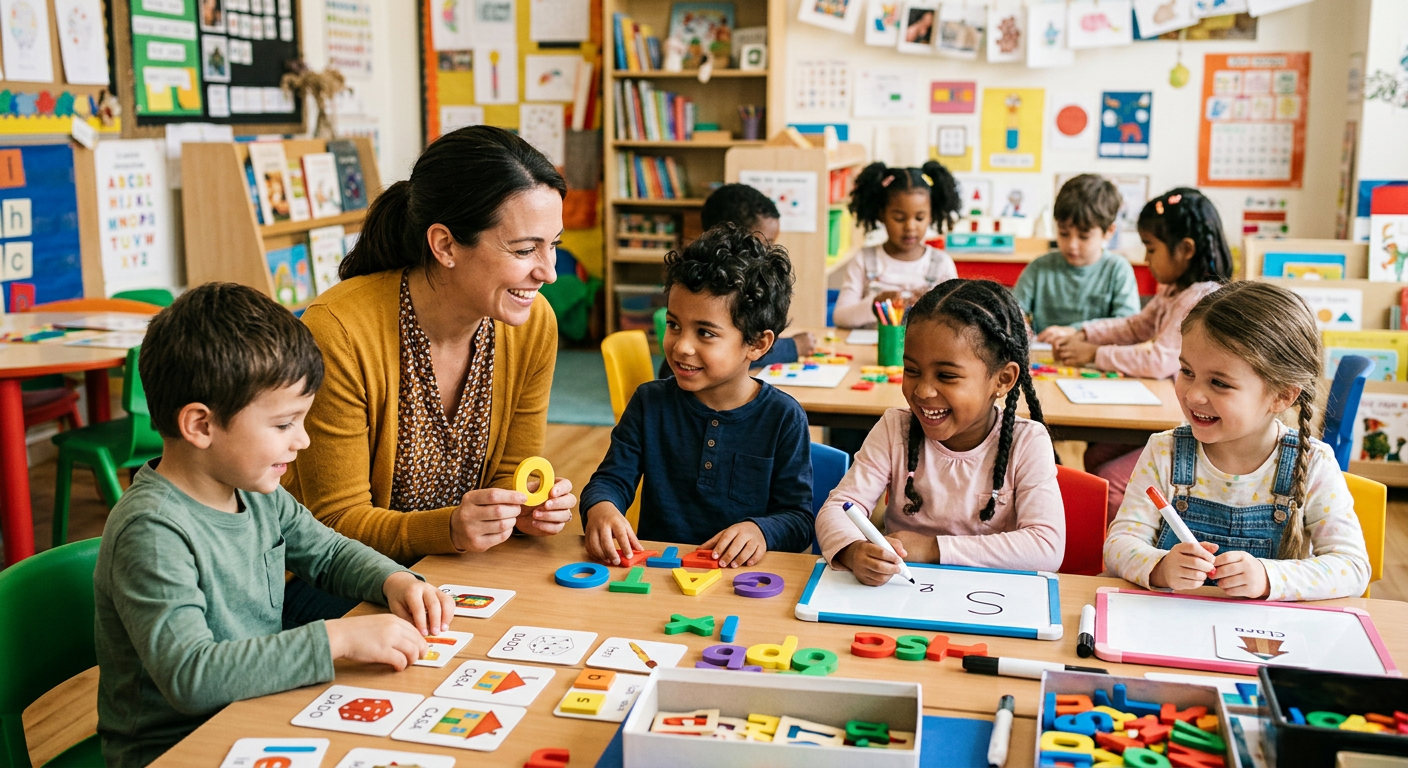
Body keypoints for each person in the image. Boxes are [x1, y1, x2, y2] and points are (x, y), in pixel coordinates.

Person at [94, 284, 455, 768]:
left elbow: (328, 553)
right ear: (200, 425)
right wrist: (339, 639)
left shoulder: (251, 490)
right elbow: (191, 676)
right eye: (284, 424)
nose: (302, 440)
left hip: (256, 711)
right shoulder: (153, 533)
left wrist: (394, 579)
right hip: (177, 749)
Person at [282, 126, 576, 625]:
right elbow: (332, 525)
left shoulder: (531, 325)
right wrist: (449, 530)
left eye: (554, 245)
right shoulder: (340, 331)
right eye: (526, 249)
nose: (548, 271)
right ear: (444, 244)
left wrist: (520, 508)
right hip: (334, 580)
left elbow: (512, 473)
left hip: (453, 570)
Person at [1103, 282, 1371, 601]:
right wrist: (1159, 566)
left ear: (1282, 395)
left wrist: (1268, 577)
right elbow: (1119, 543)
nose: (1193, 394)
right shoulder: (1165, 452)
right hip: (1171, 624)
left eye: (1219, 383)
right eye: (1187, 371)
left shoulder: (1314, 464)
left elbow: (1352, 568)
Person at [581, 224, 815, 568]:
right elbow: (611, 479)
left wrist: (761, 531)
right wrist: (602, 507)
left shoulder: (783, 417)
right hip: (658, 574)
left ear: (757, 344)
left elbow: (799, 518)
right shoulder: (650, 403)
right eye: (674, 325)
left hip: (741, 582)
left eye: (705, 333)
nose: (681, 346)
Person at [815, 279, 1065, 586]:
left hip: (993, 601)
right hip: (903, 596)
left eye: (946, 376)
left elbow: (1046, 547)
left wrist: (933, 548)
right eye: (911, 370)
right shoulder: (896, 429)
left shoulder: (1027, 442)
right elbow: (838, 509)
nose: (922, 390)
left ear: (1003, 379)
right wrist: (854, 551)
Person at [1047, 189, 1233, 518]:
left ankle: (1127, 548)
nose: (1146, 259)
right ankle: (1119, 534)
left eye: (1151, 249)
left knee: (1110, 482)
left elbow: (1160, 359)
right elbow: (1135, 327)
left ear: (1185, 250)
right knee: (1095, 455)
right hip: (1173, 414)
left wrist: (1093, 354)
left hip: (1193, 427)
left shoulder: (1201, 298)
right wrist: (1084, 333)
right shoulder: (1175, 292)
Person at [833, 161, 963, 329]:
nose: (910, 227)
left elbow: (957, 323)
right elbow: (840, 317)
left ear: (931, 215)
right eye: (899, 218)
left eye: (919, 218)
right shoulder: (864, 260)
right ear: (881, 214)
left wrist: (933, 307)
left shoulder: (941, 264)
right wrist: (874, 304)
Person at [697, 183, 814, 363]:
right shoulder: (707, 284)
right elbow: (728, 352)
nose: (768, 252)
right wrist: (792, 347)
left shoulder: (744, 280)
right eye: (763, 243)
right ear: (728, 239)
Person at [1014, 174, 1140, 337]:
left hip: (1095, 358)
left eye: (1084, 237)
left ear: (1109, 232)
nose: (1072, 244)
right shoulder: (1039, 268)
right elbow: (1013, 313)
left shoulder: (1117, 269)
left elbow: (1127, 323)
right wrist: (1018, 324)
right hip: (1044, 357)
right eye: (1064, 233)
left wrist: (1074, 330)